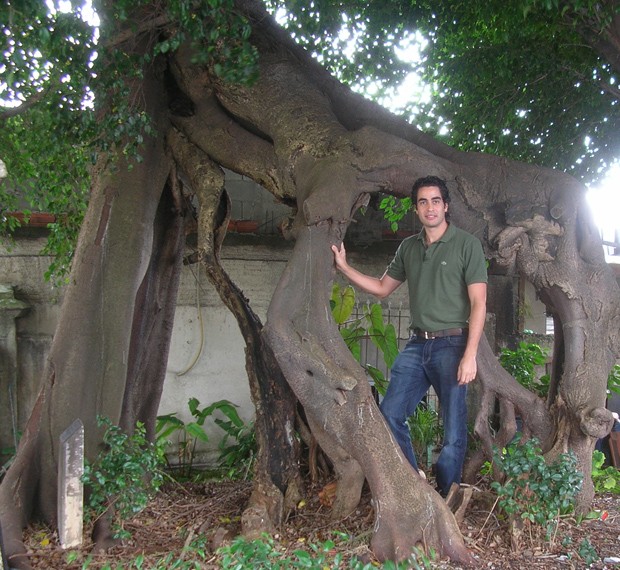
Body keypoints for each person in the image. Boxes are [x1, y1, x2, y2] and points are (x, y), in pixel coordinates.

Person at [332, 175, 487, 496]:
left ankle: (447, 495)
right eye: (422, 202)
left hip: (454, 344)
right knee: (390, 413)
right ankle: (414, 481)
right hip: (418, 345)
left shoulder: (466, 245)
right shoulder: (409, 247)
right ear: (416, 209)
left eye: (435, 201)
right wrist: (346, 268)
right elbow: (381, 288)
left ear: (446, 206)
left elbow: (479, 302)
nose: (429, 207)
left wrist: (470, 355)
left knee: (454, 431)